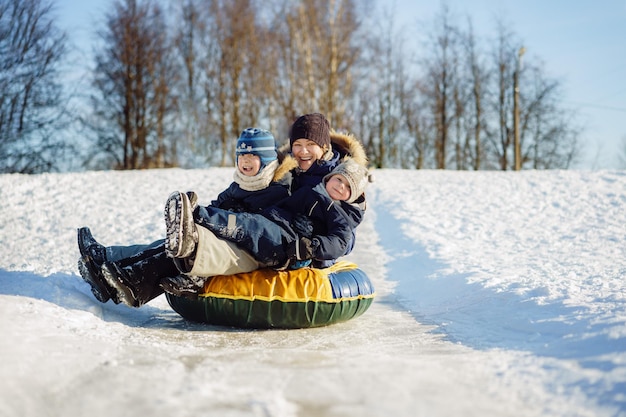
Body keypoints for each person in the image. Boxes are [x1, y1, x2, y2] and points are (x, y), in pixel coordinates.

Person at [77, 127, 288, 307]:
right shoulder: (237, 187)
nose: (246, 162)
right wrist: (192, 218)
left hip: (242, 251)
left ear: (267, 160)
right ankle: (107, 259)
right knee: (171, 244)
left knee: (183, 249)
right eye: (242, 156)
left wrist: (211, 219)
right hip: (223, 241)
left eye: (252, 156)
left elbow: (258, 230)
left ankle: (130, 283)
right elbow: (218, 206)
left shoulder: (276, 192)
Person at [161, 157, 369, 297]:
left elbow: (339, 242)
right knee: (240, 229)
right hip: (276, 225)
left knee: (247, 227)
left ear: (352, 196)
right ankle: (193, 248)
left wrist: (313, 246)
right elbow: (282, 206)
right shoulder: (311, 192)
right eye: (339, 179)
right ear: (331, 176)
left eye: (348, 187)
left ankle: (197, 214)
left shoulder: (341, 216)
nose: (340, 186)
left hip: (289, 247)